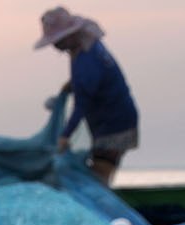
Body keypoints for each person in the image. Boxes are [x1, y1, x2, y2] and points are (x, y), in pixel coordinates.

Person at [35, 7, 138, 185]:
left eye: (57, 40)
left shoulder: (86, 61)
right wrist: (72, 84)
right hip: (114, 119)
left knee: (100, 176)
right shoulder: (87, 45)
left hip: (114, 125)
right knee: (99, 173)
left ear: (69, 36)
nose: (55, 46)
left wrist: (65, 135)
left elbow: (82, 104)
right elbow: (97, 78)